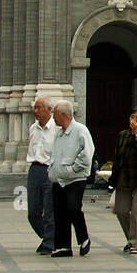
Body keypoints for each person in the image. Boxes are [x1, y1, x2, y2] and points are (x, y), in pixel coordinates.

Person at [48, 101, 94, 257]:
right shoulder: (59, 133)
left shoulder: (81, 131)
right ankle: (63, 247)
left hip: (75, 179)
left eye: (54, 114)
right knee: (59, 212)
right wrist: (51, 169)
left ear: (63, 115)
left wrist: (73, 169)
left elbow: (87, 154)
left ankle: (84, 238)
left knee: (72, 208)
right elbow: (54, 154)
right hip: (58, 179)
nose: (53, 118)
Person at [111, 106, 137, 254]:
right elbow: (117, 157)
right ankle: (131, 238)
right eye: (132, 117)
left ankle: (134, 243)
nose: (134, 121)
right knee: (121, 211)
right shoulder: (122, 135)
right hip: (123, 180)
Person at [26, 95, 57, 254]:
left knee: (49, 210)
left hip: (49, 170)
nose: (35, 111)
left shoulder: (56, 129)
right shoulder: (33, 128)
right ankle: (48, 238)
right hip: (34, 169)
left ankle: (49, 243)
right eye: (35, 108)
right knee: (33, 212)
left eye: (39, 108)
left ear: (49, 110)